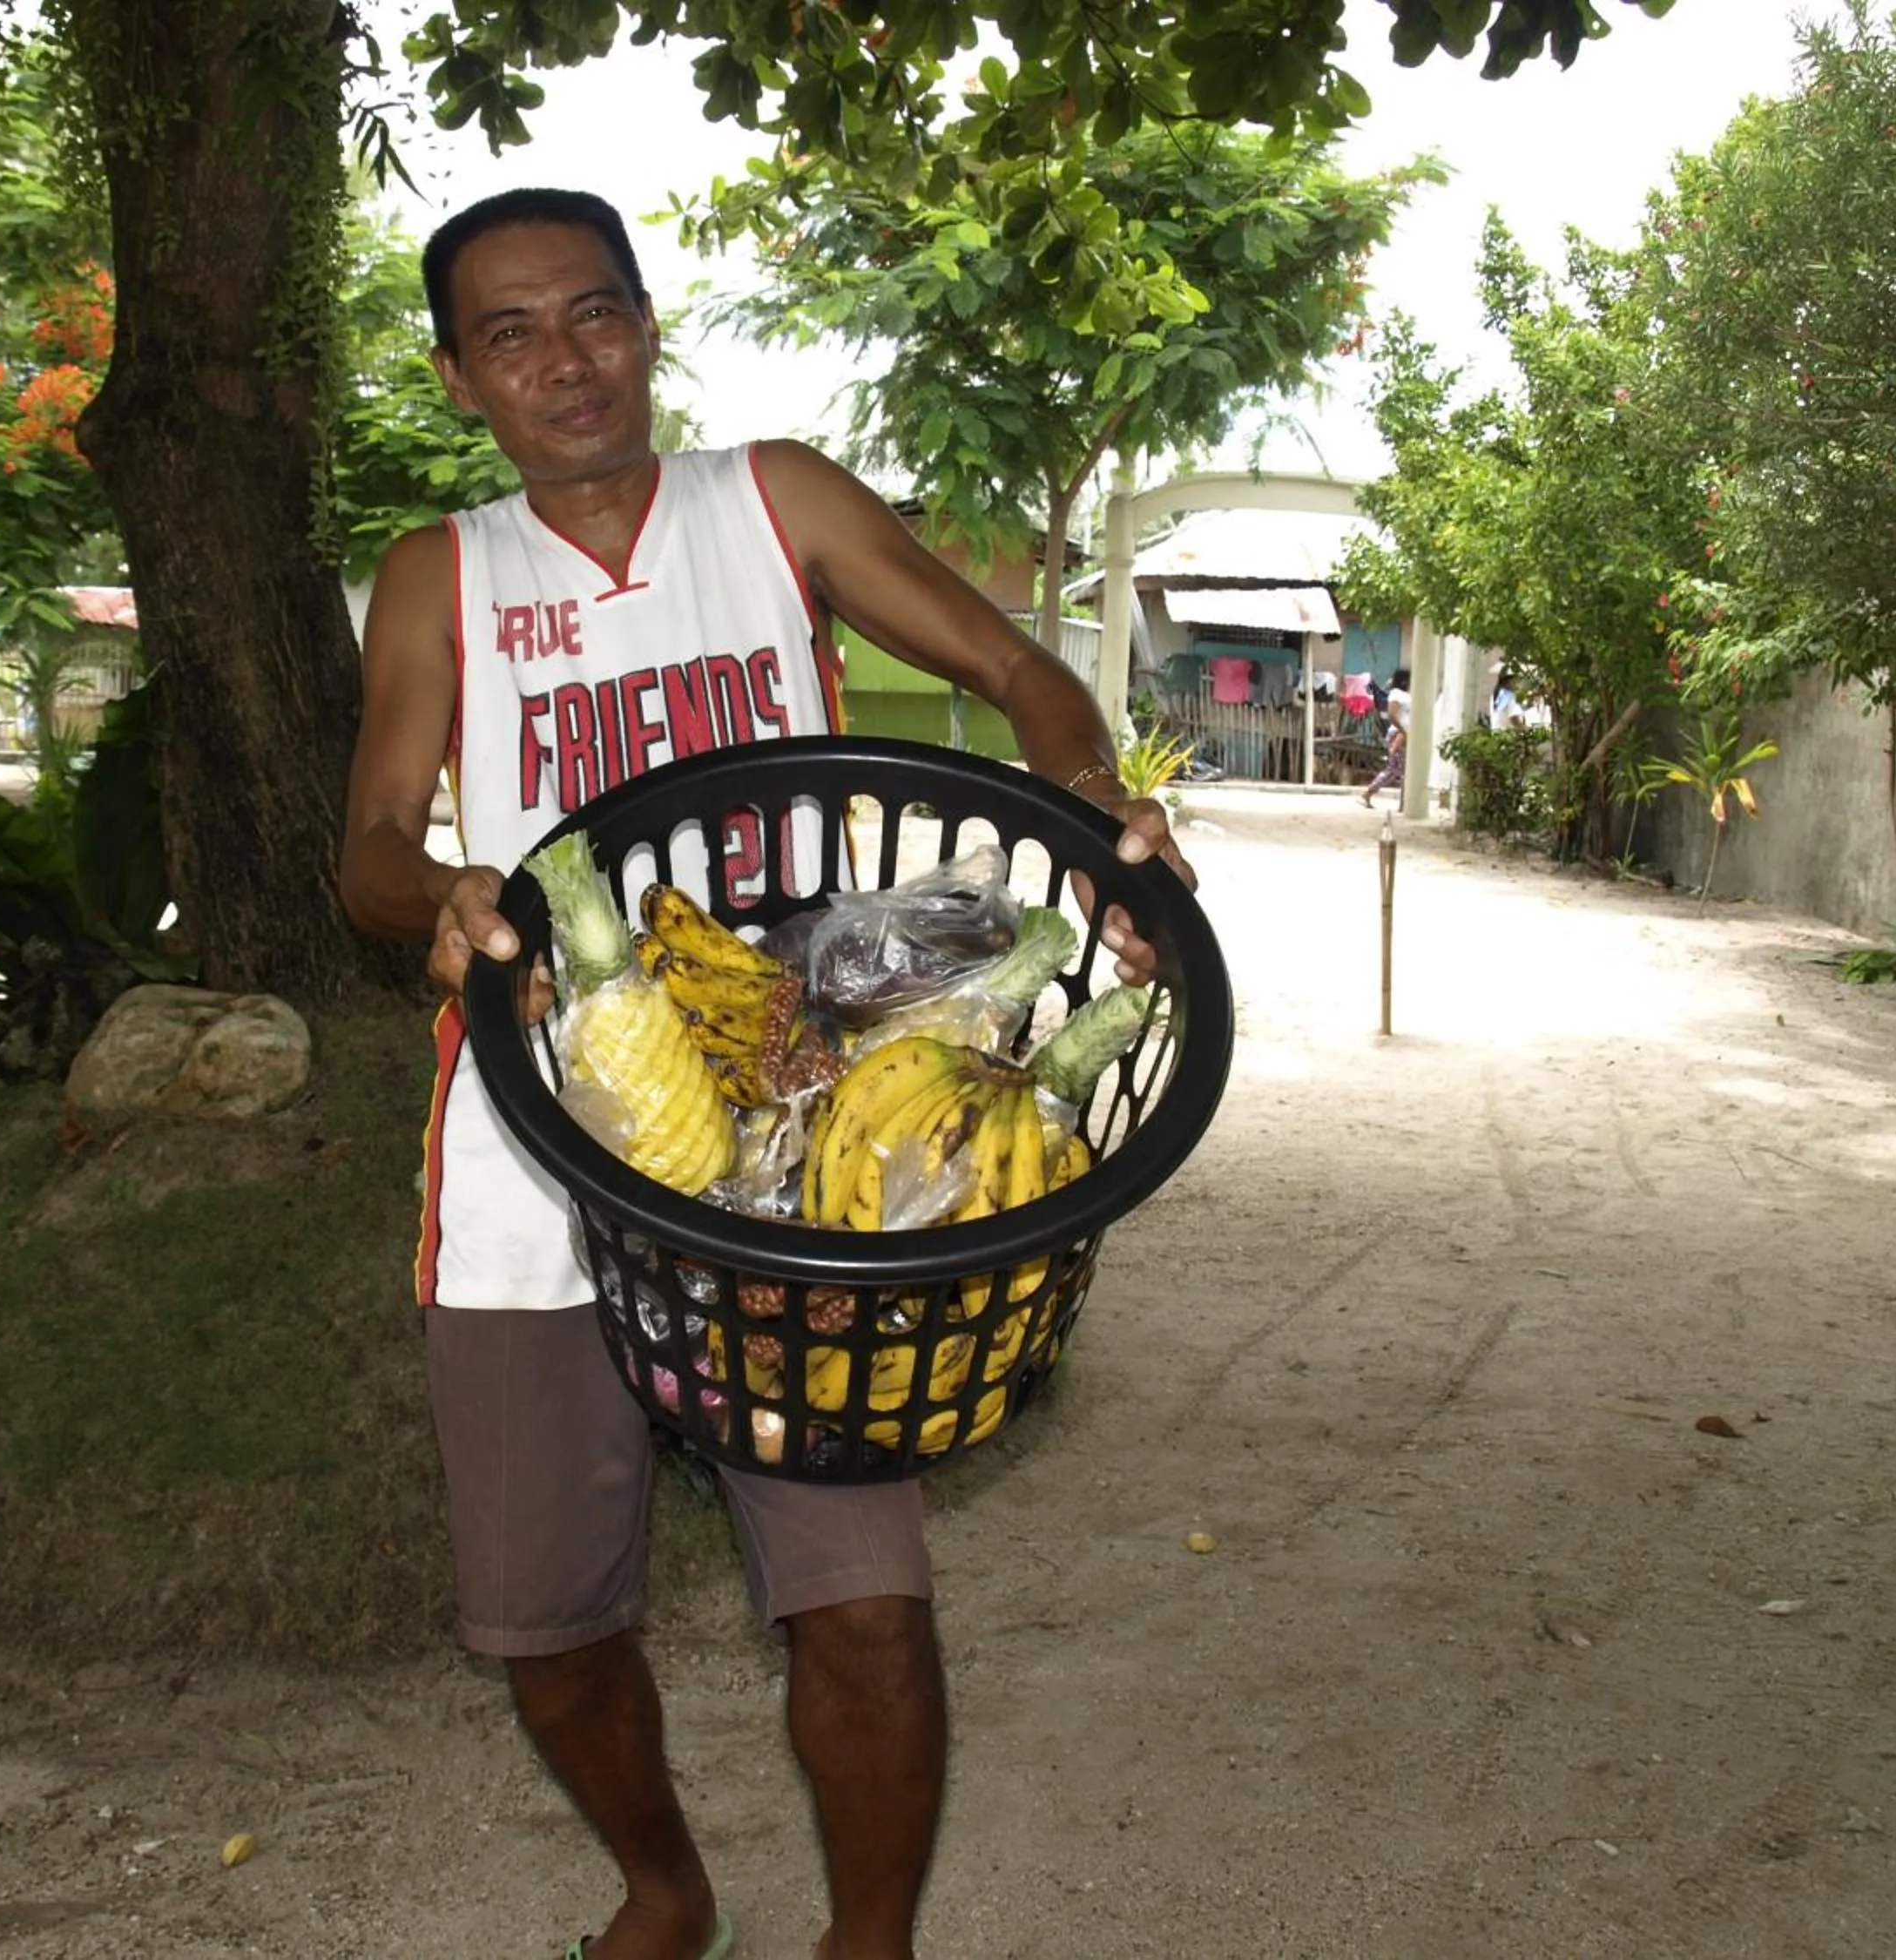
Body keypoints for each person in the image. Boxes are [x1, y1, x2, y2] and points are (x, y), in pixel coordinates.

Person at [337, 187, 1198, 1960]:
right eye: (510, 334)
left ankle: (867, 1944)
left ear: (648, 323)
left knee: (865, 1608)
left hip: (800, 1106)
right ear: (456, 378)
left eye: (594, 313)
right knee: (546, 1626)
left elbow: (1021, 670)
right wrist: (438, 896)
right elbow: (363, 846)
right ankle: (664, 1886)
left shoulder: (774, 503)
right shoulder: (441, 576)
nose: (564, 360)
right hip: (532, 1135)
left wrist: (1099, 800)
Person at [1360, 664, 1413, 809]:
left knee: (1399, 769)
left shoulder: (1406, 695)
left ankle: (1401, 803)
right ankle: (1369, 793)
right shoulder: (1396, 694)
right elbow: (1392, 714)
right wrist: (1403, 730)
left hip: (1404, 733)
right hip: (1399, 733)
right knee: (1397, 769)